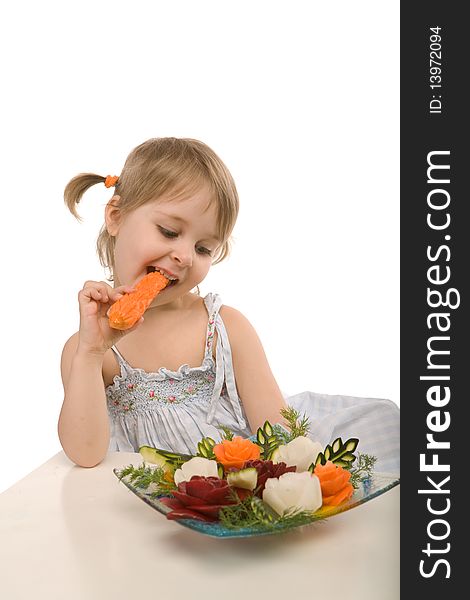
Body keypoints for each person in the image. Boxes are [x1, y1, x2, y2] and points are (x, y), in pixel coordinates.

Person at [58, 137, 399, 473]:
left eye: (204, 248)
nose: (185, 255)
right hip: (149, 506)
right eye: (169, 231)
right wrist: (90, 351)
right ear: (115, 216)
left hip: (238, 493)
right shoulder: (89, 349)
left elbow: (280, 439)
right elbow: (85, 454)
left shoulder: (224, 328)